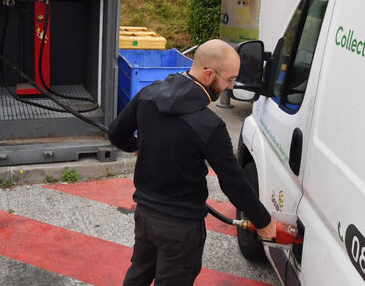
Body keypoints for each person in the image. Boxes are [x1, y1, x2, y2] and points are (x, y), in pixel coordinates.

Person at [108, 39, 277, 286]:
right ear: (209, 74)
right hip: (181, 227)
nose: (230, 87)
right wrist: (264, 222)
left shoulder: (148, 95)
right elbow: (233, 182)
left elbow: (116, 134)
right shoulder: (208, 125)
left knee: (138, 275)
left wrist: (137, 146)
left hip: (144, 215)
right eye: (230, 80)